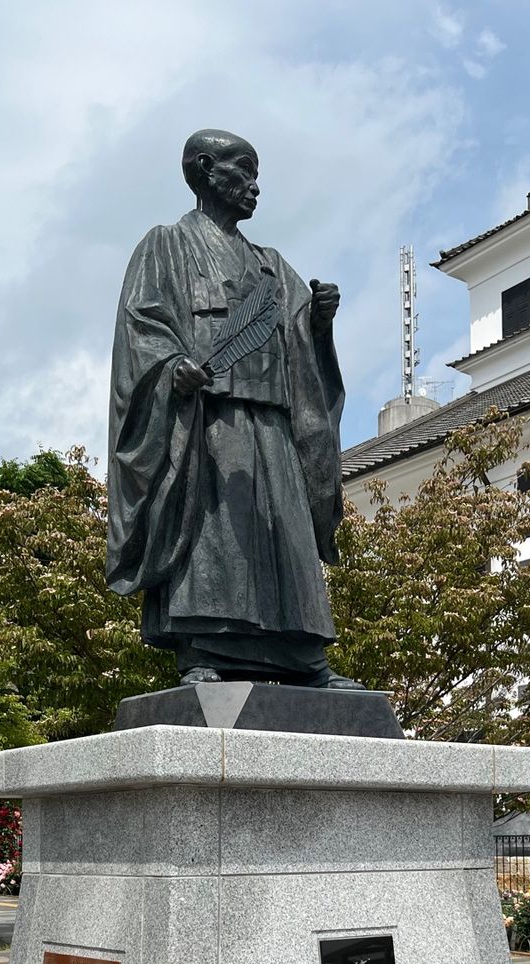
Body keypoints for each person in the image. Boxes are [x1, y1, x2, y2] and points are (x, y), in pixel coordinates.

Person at [106, 128, 361, 689]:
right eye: (242, 172)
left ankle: (303, 658)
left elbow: (296, 335)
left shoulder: (270, 264)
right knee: (211, 534)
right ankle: (204, 651)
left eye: (256, 175)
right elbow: (143, 326)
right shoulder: (165, 245)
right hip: (207, 420)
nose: (253, 187)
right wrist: (174, 366)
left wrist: (318, 322)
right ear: (204, 170)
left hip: (273, 422)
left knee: (285, 534)